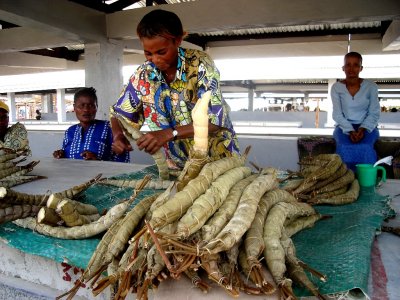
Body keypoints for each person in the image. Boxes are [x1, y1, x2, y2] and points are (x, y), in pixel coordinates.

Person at [110, 9, 240, 169]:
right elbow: (118, 115)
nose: (155, 59)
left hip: (216, 160)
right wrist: (118, 135)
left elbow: (215, 121)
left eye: (161, 52)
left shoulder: (200, 64)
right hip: (177, 165)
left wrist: (168, 133)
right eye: (148, 53)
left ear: (178, 40)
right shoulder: (143, 75)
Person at [331, 51, 380, 171]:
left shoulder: (371, 86)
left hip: (368, 127)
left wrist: (362, 129)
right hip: (344, 127)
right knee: (343, 147)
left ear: (361, 68)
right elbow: (337, 114)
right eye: (348, 65)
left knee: (366, 147)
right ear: (343, 68)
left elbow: (374, 112)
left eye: (355, 65)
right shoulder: (336, 88)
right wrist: (351, 131)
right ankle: (346, 181)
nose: (351, 69)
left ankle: (366, 181)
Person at [53, 87, 130, 162]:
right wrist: (61, 155)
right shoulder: (69, 131)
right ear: (74, 107)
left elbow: (124, 161)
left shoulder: (110, 128)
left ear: (96, 107)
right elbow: (67, 159)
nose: (86, 110)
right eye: (81, 105)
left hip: (101, 175)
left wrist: (98, 161)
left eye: (90, 105)